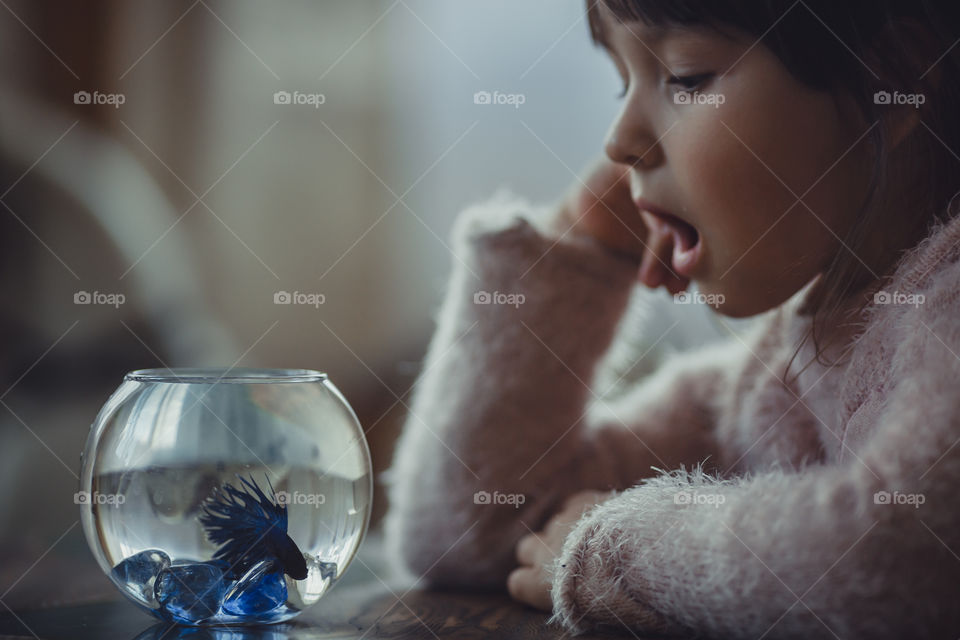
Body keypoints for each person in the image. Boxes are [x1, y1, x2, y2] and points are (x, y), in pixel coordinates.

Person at [384, 0, 960, 636]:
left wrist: (611, 554)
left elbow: (906, 552)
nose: (619, 141)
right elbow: (472, 533)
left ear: (891, 80)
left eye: (686, 79)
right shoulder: (767, 373)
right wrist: (582, 245)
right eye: (622, 82)